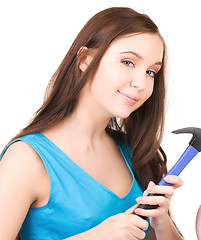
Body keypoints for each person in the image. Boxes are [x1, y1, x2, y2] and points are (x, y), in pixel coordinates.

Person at [0, 7, 184, 240]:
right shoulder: (26, 159)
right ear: (86, 60)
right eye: (128, 62)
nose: (141, 83)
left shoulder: (135, 153)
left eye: (151, 72)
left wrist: (161, 221)